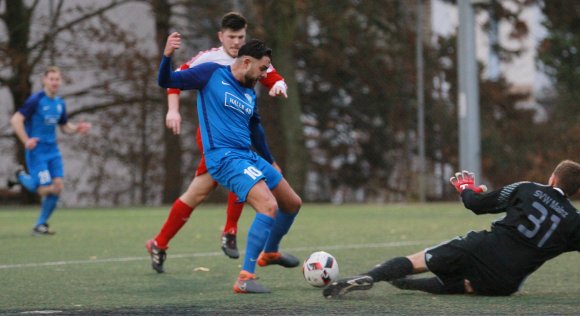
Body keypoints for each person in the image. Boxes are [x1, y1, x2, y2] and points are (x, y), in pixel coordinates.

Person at [158, 35, 301, 293]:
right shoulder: (210, 73)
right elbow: (167, 80)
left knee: (291, 203)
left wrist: (271, 161)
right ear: (246, 62)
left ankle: (269, 252)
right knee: (268, 206)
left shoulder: (248, 91)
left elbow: (256, 130)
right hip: (223, 158)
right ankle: (245, 278)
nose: (263, 74)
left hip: (246, 156)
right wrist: (167, 56)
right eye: (262, 69)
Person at [323, 160, 580, 298]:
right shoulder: (573, 220)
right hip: (506, 281)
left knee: (418, 260)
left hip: (480, 249)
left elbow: (477, 205)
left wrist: (466, 189)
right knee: (468, 285)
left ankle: (372, 276)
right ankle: (408, 285)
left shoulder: (527, 188)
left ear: (552, 179)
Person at [9, 66, 91, 236]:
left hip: (53, 151)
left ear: (60, 82)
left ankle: (40, 225)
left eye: (57, 79)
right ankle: (21, 176)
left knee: (58, 187)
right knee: (44, 189)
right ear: (44, 81)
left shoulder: (59, 103)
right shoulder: (35, 100)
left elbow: (64, 126)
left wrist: (77, 128)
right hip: (37, 152)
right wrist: (27, 140)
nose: (54, 82)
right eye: (51, 79)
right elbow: (16, 120)